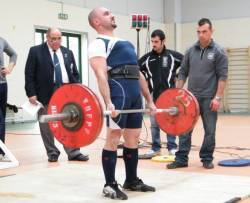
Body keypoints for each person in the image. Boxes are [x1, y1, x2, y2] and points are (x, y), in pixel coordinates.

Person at [88, 7, 156, 200]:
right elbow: (101, 74)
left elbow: (139, 73)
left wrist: (150, 100)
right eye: (106, 13)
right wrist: (108, 102)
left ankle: (131, 180)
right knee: (114, 136)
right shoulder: (98, 44)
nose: (112, 15)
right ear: (97, 22)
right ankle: (109, 185)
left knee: (133, 137)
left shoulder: (125, 42)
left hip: (134, 92)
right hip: (118, 92)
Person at [167, 18, 228, 170]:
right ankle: (181, 159)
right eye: (198, 32)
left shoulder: (219, 52)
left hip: (209, 99)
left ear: (211, 31)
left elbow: (222, 77)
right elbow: (182, 73)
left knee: (210, 131)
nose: (201, 35)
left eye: (204, 32)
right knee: (184, 129)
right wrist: (178, 93)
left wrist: (217, 98)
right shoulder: (190, 50)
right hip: (190, 98)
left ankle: (206, 158)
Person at [25, 27, 89, 162]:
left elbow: (75, 73)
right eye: (53, 38)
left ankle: (73, 152)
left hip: (66, 91)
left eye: (59, 38)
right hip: (45, 92)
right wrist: (31, 93)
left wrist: (77, 90)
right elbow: (29, 74)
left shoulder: (67, 52)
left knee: (69, 122)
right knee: (46, 123)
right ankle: (52, 152)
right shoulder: (35, 51)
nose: (56, 41)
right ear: (46, 38)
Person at [138, 29, 183, 159]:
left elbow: (187, 64)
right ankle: (155, 148)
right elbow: (135, 69)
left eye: (156, 41)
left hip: (169, 96)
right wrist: (144, 79)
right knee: (154, 123)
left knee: (170, 122)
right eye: (152, 41)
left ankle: (172, 147)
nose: (154, 44)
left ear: (163, 41)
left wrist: (178, 76)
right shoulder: (147, 59)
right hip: (153, 96)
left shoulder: (172, 56)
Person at [0, 37, 17, 161]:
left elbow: (13, 54)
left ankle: (1, 152)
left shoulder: (2, 40)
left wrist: (9, 68)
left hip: (2, 85)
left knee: (2, 119)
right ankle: (1, 152)